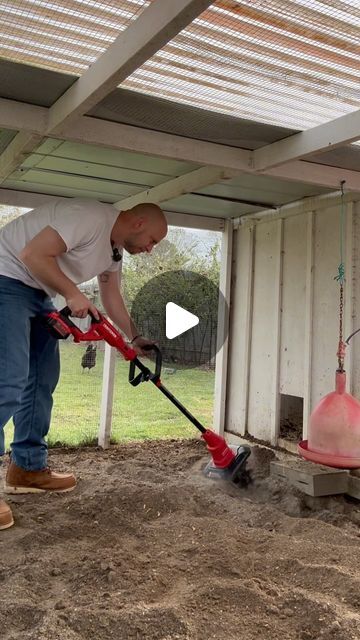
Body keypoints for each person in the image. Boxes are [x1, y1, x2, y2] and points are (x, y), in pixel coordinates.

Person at [0, 198, 167, 530]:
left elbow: (112, 297)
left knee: (41, 380)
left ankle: (27, 469)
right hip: (5, 279)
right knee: (9, 378)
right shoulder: (89, 217)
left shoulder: (114, 251)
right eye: (152, 240)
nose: (150, 249)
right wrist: (73, 293)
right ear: (138, 223)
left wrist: (133, 338)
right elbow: (32, 255)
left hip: (37, 293)